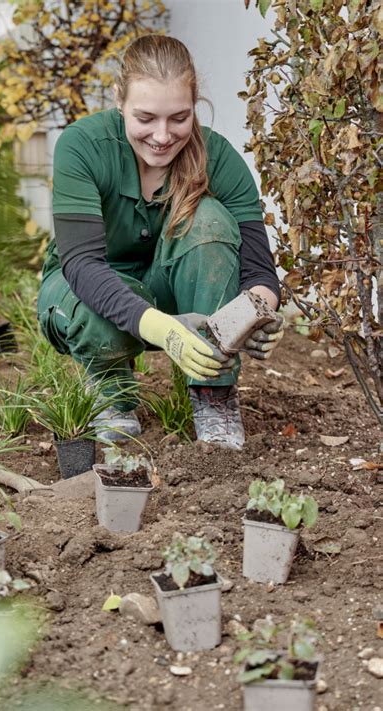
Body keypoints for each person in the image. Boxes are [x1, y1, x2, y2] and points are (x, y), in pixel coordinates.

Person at [37, 34, 283, 451]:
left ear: (194, 106)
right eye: (145, 117)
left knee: (209, 220)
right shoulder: (82, 146)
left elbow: (260, 270)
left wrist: (257, 311)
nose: (163, 135)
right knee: (97, 313)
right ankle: (112, 395)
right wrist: (163, 328)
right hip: (84, 293)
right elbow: (82, 265)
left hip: (174, 296)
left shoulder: (218, 158)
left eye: (179, 118)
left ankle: (213, 395)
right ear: (119, 100)